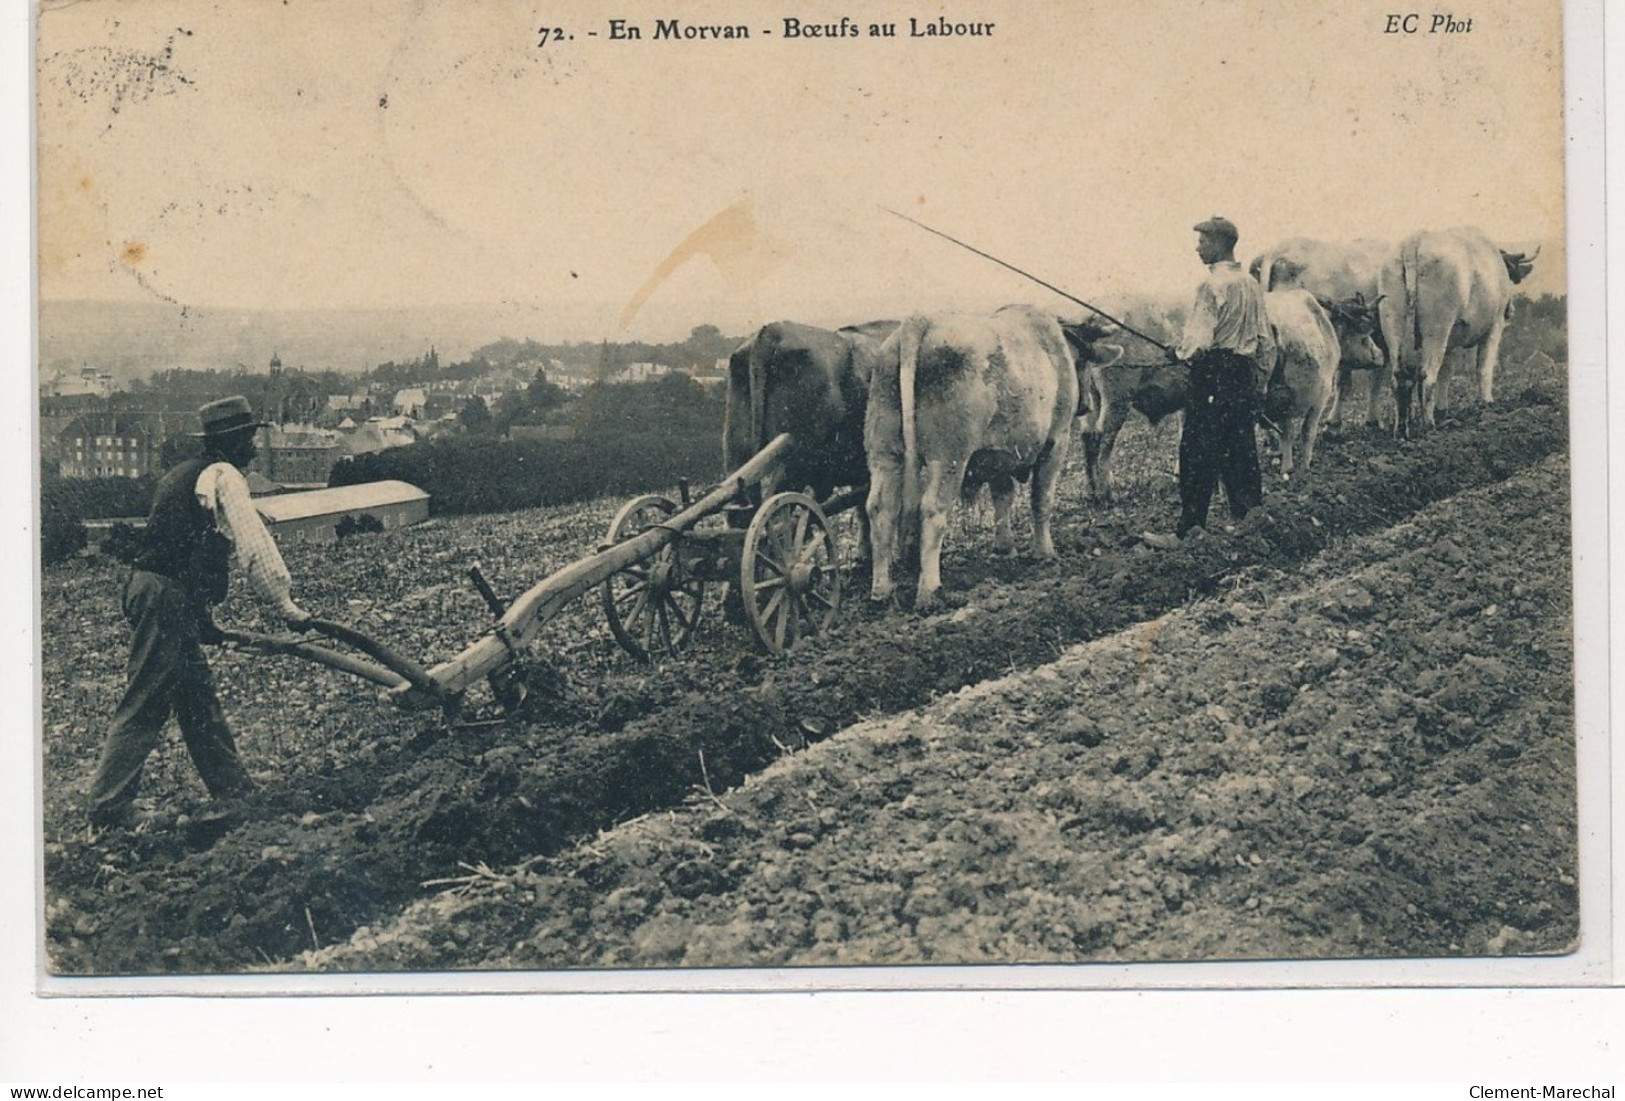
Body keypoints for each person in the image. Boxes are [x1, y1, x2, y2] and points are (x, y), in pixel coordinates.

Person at [87, 395, 312, 831]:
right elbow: (254, 545)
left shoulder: (182, 474)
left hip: (152, 591)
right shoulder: (225, 475)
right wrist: (284, 605)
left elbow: (187, 545)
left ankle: (234, 790)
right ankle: (108, 806)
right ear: (231, 441)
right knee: (148, 698)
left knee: (196, 696)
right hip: (163, 596)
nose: (252, 449)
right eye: (248, 439)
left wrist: (201, 617)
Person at [1143, 216, 1275, 548]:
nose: (1197, 248)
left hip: (1213, 374)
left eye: (1202, 241)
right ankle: (1250, 516)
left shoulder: (1210, 286)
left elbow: (1198, 342)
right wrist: (1259, 380)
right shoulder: (1250, 285)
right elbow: (1266, 340)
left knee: (1198, 450)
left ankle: (1189, 531)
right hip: (1242, 373)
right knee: (1240, 447)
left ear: (1218, 243)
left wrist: (1179, 353)